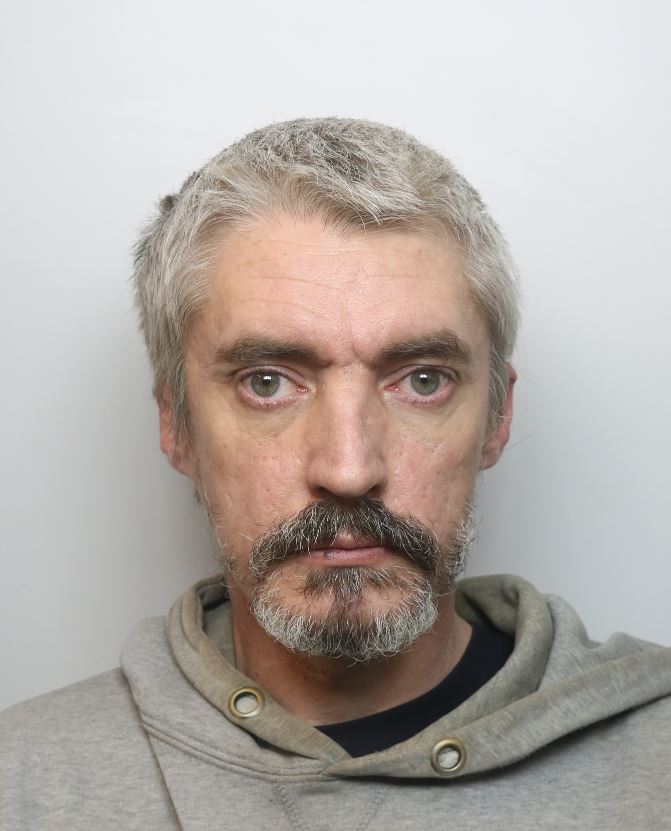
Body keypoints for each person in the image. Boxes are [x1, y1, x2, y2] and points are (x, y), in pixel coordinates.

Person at [1, 118, 669, 830]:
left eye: (422, 380)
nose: (349, 470)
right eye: (266, 382)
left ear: (497, 417)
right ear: (177, 424)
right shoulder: (22, 786)